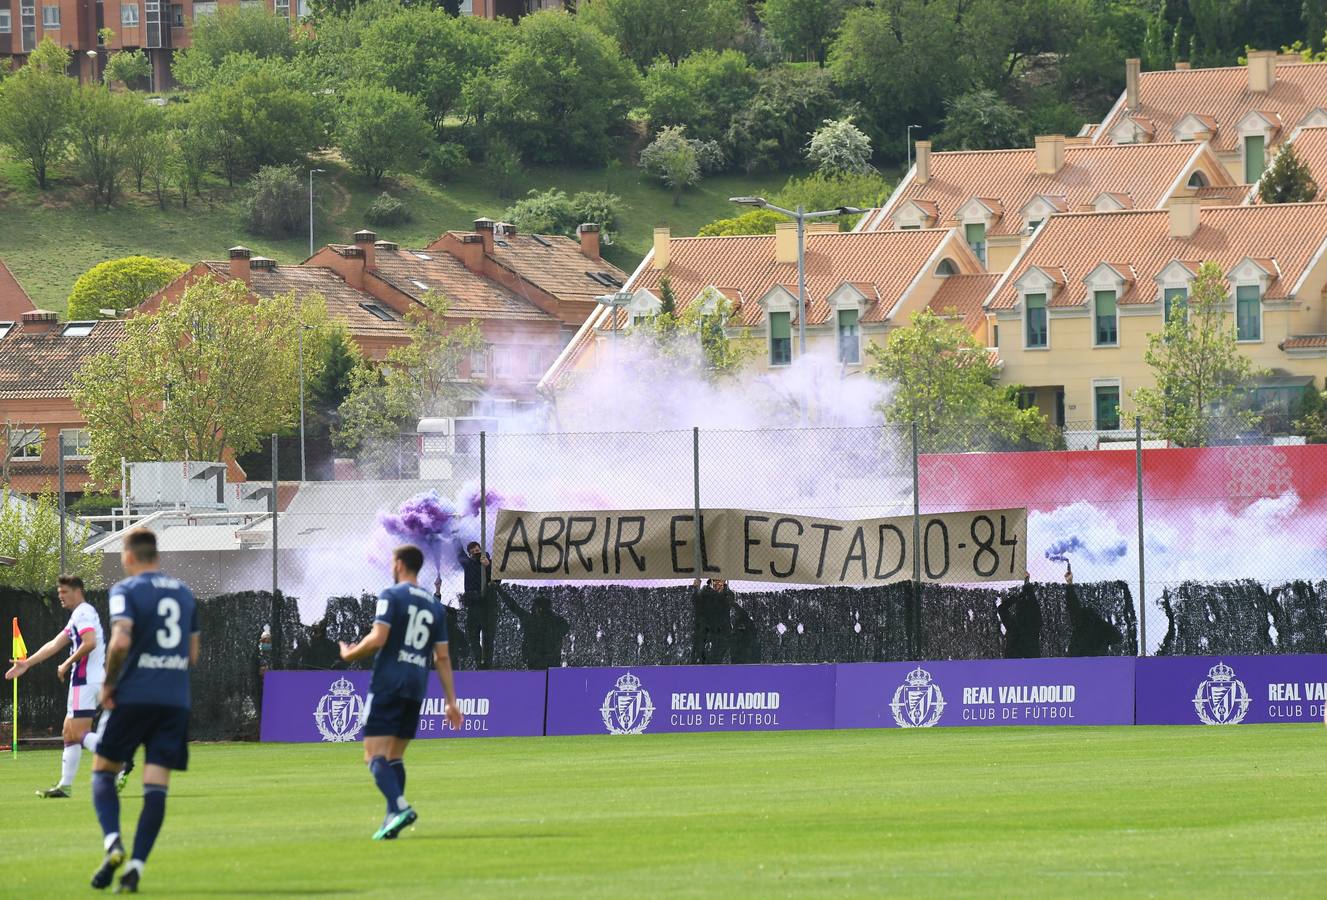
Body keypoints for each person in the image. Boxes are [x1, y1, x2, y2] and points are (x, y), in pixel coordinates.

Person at [89, 529, 200, 894]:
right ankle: (136, 866)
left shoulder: (125, 590)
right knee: (156, 787)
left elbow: (120, 639)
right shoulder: (184, 593)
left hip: (134, 696)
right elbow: (192, 655)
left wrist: (108, 683)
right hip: (174, 700)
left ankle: (113, 844)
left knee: (103, 771)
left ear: (129, 556)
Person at [340, 545, 463, 841]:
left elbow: (379, 637)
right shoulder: (435, 606)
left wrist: (351, 653)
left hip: (388, 683)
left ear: (399, 565)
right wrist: (451, 701)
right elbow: (442, 658)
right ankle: (390, 820)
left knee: (373, 756)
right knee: (395, 756)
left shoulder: (391, 596)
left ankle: (399, 806)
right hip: (415, 686)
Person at [4, 575, 133, 798]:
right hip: (88, 681)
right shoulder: (79, 615)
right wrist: (27, 663)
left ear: (77, 591)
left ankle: (118, 760)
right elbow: (55, 643)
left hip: (84, 681)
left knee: (79, 732)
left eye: (64, 592)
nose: (60, 596)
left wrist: (66, 662)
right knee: (68, 733)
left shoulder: (83, 613)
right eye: (59, 592)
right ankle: (65, 785)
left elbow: (89, 642)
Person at [500, 586, 570, 670]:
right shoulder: (555, 621)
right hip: (551, 660)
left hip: (535, 660)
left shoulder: (531, 620)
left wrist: (499, 590)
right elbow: (565, 628)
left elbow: (514, 607)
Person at [1065, 568, 1123, 657]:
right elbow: (1118, 637)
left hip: (1077, 658)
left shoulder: (1080, 622)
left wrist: (1069, 584)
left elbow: (1073, 605)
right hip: (1097, 660)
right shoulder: (1102, 626)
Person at [459, 542, 498, 670]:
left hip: (488, 606)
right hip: (474, 605)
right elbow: (459, 553)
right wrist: (454, 533)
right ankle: (479, 662)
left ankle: (487, 664)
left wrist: (488, 566)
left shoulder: (489, 562)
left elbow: (497, 580)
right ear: (470, 553)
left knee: (488, 637)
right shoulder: (468, 564)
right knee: (473, 637)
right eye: (473, 550)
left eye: (477, 549)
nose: (476, 551)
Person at [997, 572, 1044, 659]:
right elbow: (1034, 606)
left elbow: (1001, 609)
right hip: (1031, 661)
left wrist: (1015, 598)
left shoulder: (1013, 625)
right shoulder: (1034, 624)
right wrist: (1027, 585)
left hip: (1012, 662)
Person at [691, 577, 733, 665]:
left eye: (720, 582)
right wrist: (696, 588)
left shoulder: (728, 594)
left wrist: (722, 592)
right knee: (702, 655)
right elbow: (696, 603)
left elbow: (727, 605)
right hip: (707, 630)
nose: (718, 584)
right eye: (715, 582)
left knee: (718, 656)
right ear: (711, 582)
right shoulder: (705, 592)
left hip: (722, 631)